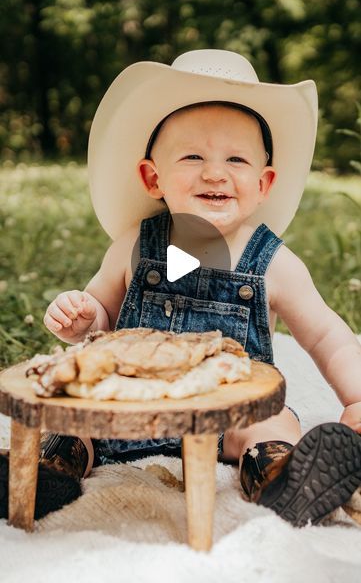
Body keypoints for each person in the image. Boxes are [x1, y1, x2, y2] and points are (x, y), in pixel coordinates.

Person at [1, 50, 360, 526]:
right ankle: (47, 472)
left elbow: (327, 336)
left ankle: (284, 478)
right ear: (153, 176)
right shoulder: (136, 244)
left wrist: (356, 399)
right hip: (119, 411)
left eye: (236, 158)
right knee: (69, 420)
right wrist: (82, 316)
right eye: (193, 156)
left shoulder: (273, 263)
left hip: (226, 418)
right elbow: (98, 316)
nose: (215, 172)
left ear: (263, 182)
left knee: (272, 421)